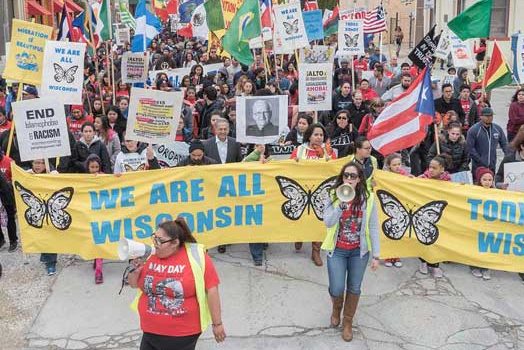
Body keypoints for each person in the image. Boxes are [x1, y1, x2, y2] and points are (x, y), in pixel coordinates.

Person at [127, 218, 226, 350]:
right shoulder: (149, 255)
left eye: (160, 240)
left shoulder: (196, 257)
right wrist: (135, 272)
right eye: (154, 237)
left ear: (175, 242)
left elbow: (212, 290)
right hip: (150, 331)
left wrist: (217, 324)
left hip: (182, 335)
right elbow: (134, 285)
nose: (155, 243)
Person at [322, 161, 380, 342]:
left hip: (358, 252)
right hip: (337, 250)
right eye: (346, 175)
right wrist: (340, 206)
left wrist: (376, 255)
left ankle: (347, 322)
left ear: (359, 179)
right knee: (337, 287)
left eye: (352, 176)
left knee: (354, 288)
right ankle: (336, 309)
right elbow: (328, 222)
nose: (348, 179)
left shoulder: (368, 198)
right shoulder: (333, 195)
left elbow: (373, 227)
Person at [291, 123, 336, 266]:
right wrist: (294, 164)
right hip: (302, 191)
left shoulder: (329, 151)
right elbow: (289, 169)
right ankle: (299, 236)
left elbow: (335, 170)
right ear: (309, 136)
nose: (318, 137)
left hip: (322, 194)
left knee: (318, 221)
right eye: (316, 134)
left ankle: (315, 251)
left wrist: (327, 158)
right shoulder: (299, 150)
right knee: (301, 218)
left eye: (321, 135)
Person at [202, 118, 243, 254]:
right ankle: (217, 239)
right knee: (215, 213)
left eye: (225, 129)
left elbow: (239, 162)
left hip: (230, 184)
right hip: (212, 185)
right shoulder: (207, 144)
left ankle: (225, 239)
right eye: (220, 129)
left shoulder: (235, 143)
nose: (223, 131)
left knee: (227, 213)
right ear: (215, 129)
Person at [418, 155, 451, 278]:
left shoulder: (448, 182)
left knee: (437, 239)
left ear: (442, 169)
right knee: (424, 238)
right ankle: (423, 262)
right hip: (424, 214)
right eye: (430, 167)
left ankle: (435, 265)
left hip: (440, 216)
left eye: (434, 168)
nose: (431, 170)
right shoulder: (422, 179)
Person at [381, 153, 412, 267]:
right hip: (388, 208)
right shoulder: (385, 176)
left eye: (399, 164)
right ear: (389, 166)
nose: (398, 167)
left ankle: (397, 255)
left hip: (401, 207)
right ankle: (388, 257)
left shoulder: (405, 175)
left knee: (399, 231)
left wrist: (411, 180)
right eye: (394, 165)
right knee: (389, 231)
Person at [466, 107, 510, 178]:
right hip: (478, 166)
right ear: (481, 116)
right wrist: (480, 160)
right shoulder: (474, 130)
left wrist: (509, 156)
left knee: (490, 185)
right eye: (487, 116)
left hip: (492, 165)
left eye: (491, 116)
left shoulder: (497, 129)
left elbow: (504, 144)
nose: (489, 118)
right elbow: (470, 148)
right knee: (478, 185)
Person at [469, 167, 494, 280]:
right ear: (479, 180)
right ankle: (474, 266)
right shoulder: (474, 191)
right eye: (485, 179)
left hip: (489, 225)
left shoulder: (496, 192)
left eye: (490, 180)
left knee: (487, 246)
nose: (487, 182)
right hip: (477, 224)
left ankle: (485, 267)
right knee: (475, 245)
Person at [85, 154, 105, 283]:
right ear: (87, 167)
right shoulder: (83, 179)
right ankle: (95, 260)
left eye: (97, 167)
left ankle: (99, 271)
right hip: (88, 214)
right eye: (92, 167)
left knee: (100, 241)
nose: (95, 170)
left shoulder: (104, 177)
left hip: (102, 214)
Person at [0, 171, 17, 252]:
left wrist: (13, 204)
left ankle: (13, 241)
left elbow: (5, 187)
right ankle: (1, 240)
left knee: (10, 220)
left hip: (6, 198)